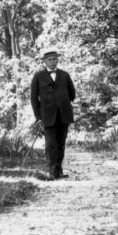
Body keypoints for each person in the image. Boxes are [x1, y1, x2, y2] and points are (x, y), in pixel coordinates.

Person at [30, 46, 76, 180]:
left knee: (61, 143)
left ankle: (59, 171)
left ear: (58, 60)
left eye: (54, 59)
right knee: (51, 145)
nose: (52, 62)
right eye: (49, 60)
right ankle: (52, 173)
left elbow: (72, 93)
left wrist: (63, 101)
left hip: (64, 114)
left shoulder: (64, 75)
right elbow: (33, 98)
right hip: (47, 116)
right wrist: (38, 116)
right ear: (45, 61)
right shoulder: (38, 77)